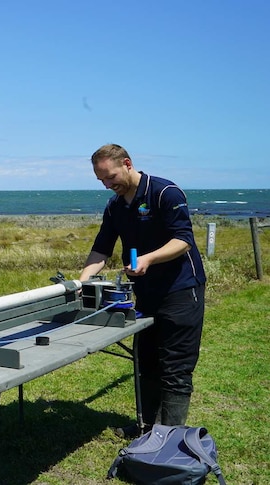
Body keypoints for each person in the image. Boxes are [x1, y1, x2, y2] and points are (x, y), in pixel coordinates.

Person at [78, 143, 206, 437]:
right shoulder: (115, 206)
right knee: (146, 361)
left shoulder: (165, 193)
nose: (108, 185)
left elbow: (183, 240)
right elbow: (101, 249)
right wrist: (82, 281)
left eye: (110, 177)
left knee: (175, 366)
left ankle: (170, 438)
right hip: (144, 294)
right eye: (101, 181)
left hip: (181, 290)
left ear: (127, 163)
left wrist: (148, 258)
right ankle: (147, 427)